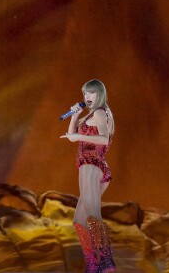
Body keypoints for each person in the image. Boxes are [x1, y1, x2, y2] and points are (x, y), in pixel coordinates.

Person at [60, 79, 116, 273]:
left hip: (92, 164)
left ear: (99, 94)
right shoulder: (90, 115)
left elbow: (104, 138)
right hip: (88, 165)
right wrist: (74, 116)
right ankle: (93, 263)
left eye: (90, 93)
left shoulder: (100, 112)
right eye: (84, 94)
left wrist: (79, 137)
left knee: (93, 213)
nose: (87, 97)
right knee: (79, 220)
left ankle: (106, 263)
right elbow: (70, 134)